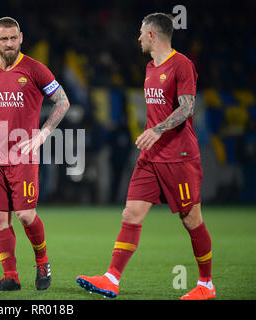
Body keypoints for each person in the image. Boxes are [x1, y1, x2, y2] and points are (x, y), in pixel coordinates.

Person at [76, 13, 215, 300]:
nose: (138, 37)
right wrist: (153, 136)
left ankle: (206, 285)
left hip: (179, 156)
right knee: (131, 214)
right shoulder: (151, 67)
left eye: (141, 32)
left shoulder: (182, 64)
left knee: (192, 220)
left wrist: (157, 130)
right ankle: (111, 278)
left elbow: (187, 107)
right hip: (151, 157)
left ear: (153, 34)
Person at [0, 17, 70, 291]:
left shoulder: (35, 69)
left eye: (13, 38)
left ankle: (42, 261)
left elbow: (63, 101)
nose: (9, 43)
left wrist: (43, 134)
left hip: (24, 154)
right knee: (0, 218)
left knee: (25, 215)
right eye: (3, 39)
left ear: (21, 38)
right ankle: (11, 277)